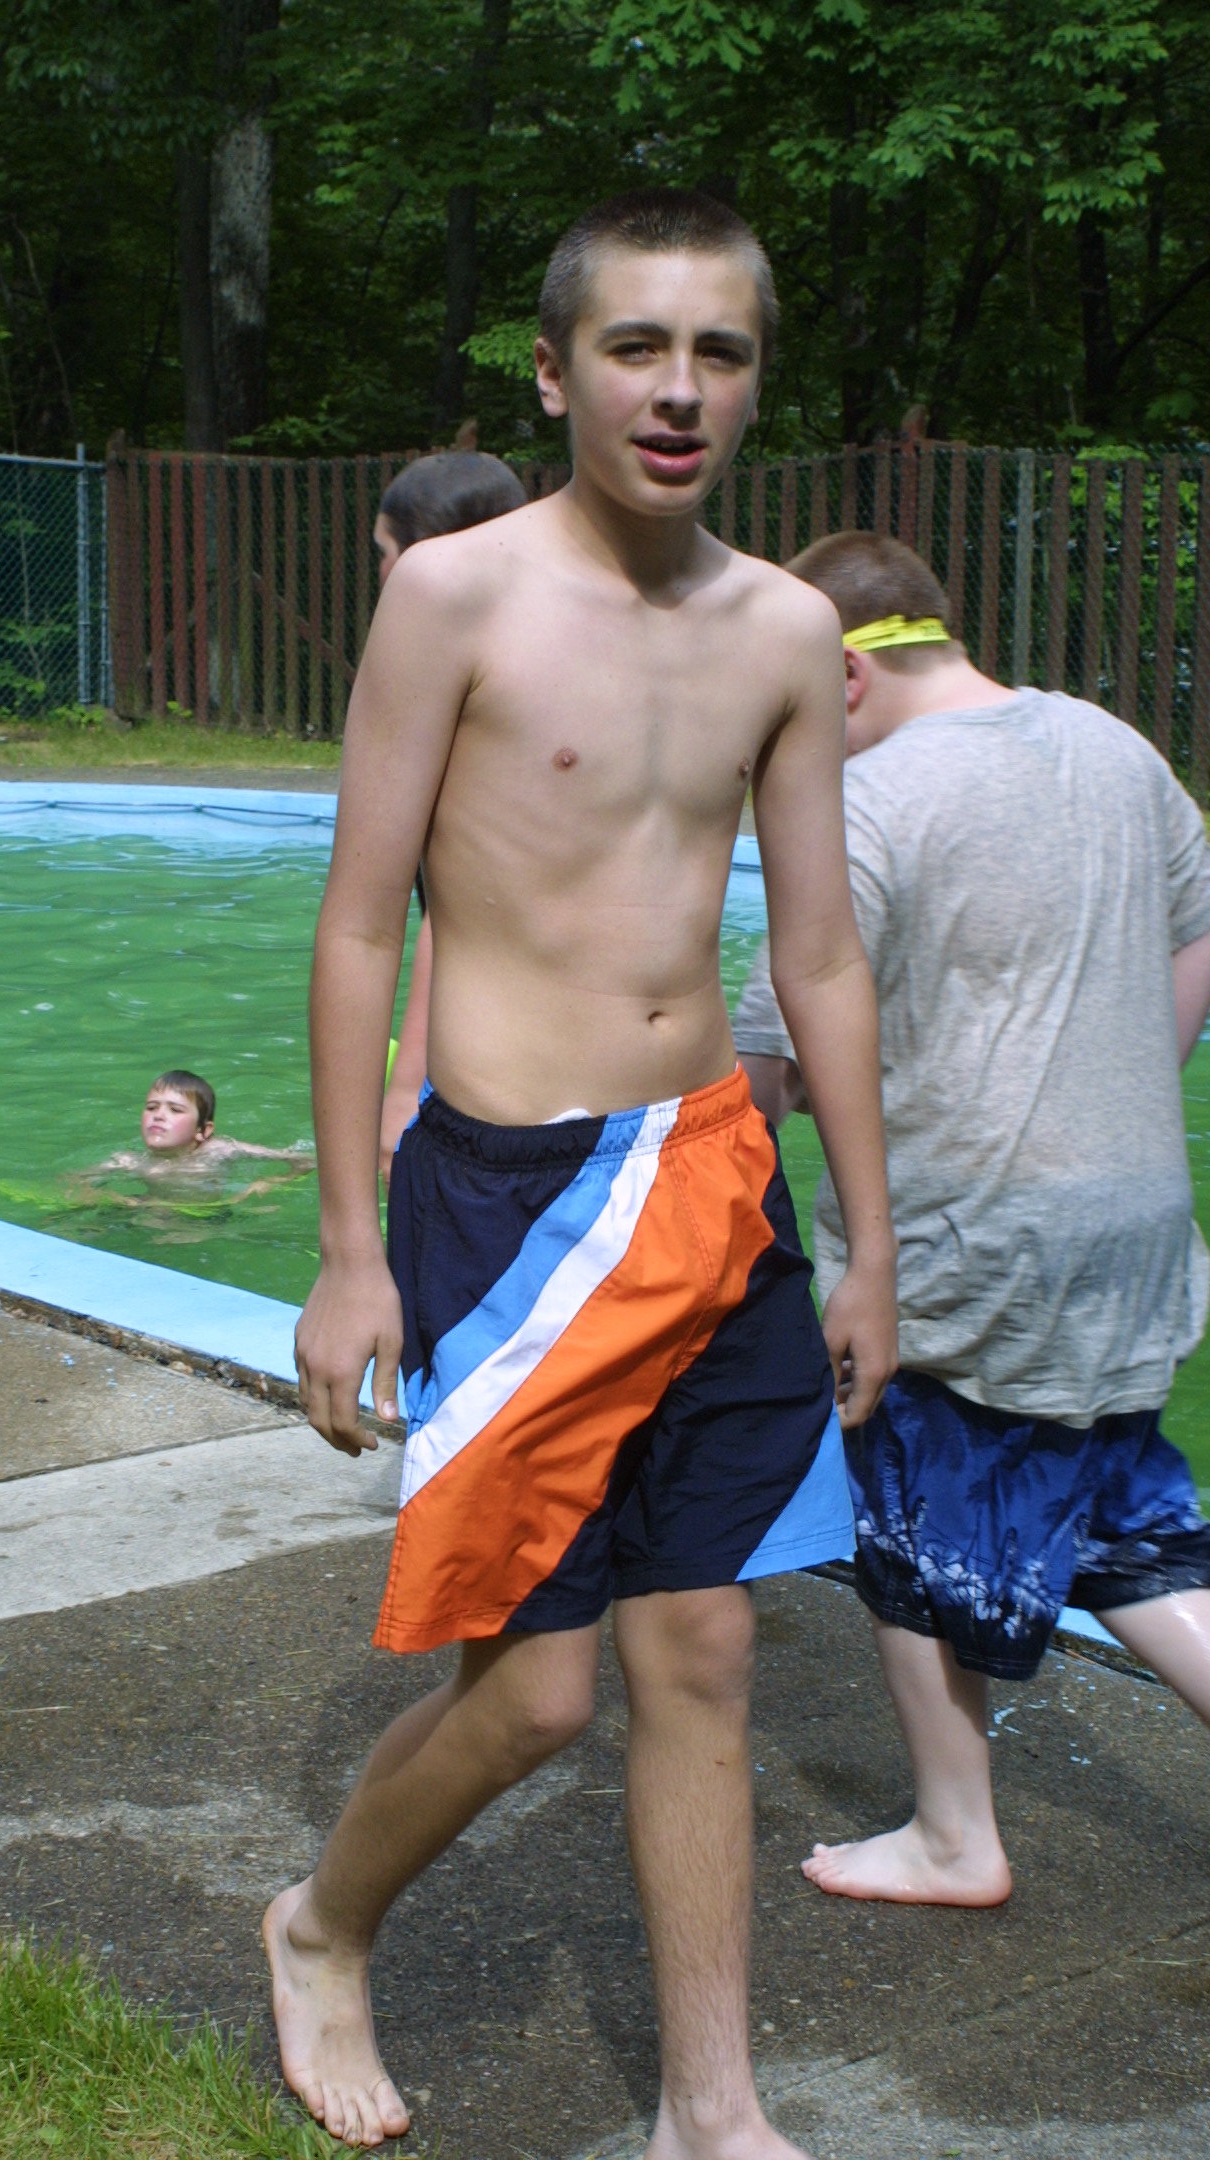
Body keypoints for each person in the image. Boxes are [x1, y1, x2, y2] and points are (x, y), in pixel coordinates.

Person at [264, 188, 898, 2156]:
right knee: (536, 1697)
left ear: (758, 383)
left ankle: (715, 2107)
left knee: (703, 1647)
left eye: (721, 351)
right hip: (508, 1200)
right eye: (637, 347)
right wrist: (350, 1249)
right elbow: (357, 923)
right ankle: (321, 1924)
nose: (679, 389)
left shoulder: (784, 629)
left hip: (712, 1180)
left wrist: (871, 1246)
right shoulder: (458, 599)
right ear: (555, 374)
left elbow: (820, 957)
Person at [734, 529, 1210, 1910]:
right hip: (1131, 1229)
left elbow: (770, 1068)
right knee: (1128, 1521)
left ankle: (955, 1835)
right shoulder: (1116, 748)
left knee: (908, 1515)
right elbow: (1199, 928)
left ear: (842, 675)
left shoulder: (866, 805)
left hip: (967, 1245)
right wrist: (1119, 1083)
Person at [373, 452, 529, 1184]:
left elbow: (461, 905)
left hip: (494, 1063)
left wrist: (404, 1091)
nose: (381, 575)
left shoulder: (470, 697)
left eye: (385, 554)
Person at [81, 1070, 314, 1188]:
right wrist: (90, 1193)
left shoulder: (221, 1150)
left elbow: (304, 1161)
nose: (158, 1115)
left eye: (175, 1110)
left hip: (208, 1219)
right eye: (151, 1107)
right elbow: (76, 1181)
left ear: (203, 1131)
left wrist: (269, 1183)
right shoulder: (131, 1161)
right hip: (154, 1213)